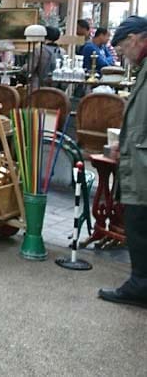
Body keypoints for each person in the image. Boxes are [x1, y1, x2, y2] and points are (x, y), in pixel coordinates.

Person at [99, 15, 147, 308]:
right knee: (138, 224)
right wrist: (123, 143)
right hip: (138, 158)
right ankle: (140, 281)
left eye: (123, 48)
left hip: (143, 164)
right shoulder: (143, 70)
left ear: (135, 40)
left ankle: (140, 285)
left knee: (139, 225)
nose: (123, 55)